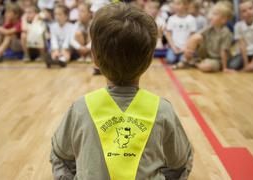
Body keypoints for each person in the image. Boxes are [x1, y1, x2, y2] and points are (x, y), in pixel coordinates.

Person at [50, 3, 193, 180]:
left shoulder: (80, 108)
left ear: (94, 57)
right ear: (149, 59)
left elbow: (60, 156)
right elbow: (180, 163)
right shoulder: (162, 110)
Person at [175, 1, 234, 73]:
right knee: (196, 37)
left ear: (223, 19)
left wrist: (225, 68)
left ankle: (193, 63)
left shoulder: (226, 33)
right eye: (212, 13)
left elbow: (223, 51)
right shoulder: (210, 27)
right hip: (206, 54)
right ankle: (186, 60)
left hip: (217, 59)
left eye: (215, 14)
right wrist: (186, 48)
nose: (211, 16)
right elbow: (194, 36)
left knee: (206, 67)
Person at [165, 0, 197, 64]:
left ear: (185, 5)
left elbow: (192, 35)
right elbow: (168, 34)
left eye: (178, 4)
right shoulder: (171, 19)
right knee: (170, 60)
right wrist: (173, 47)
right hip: (174, 47)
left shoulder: (191, 19)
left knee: (183, 60)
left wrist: (185, 47)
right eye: (175, 4)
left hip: (186, 47)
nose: (176, 6)